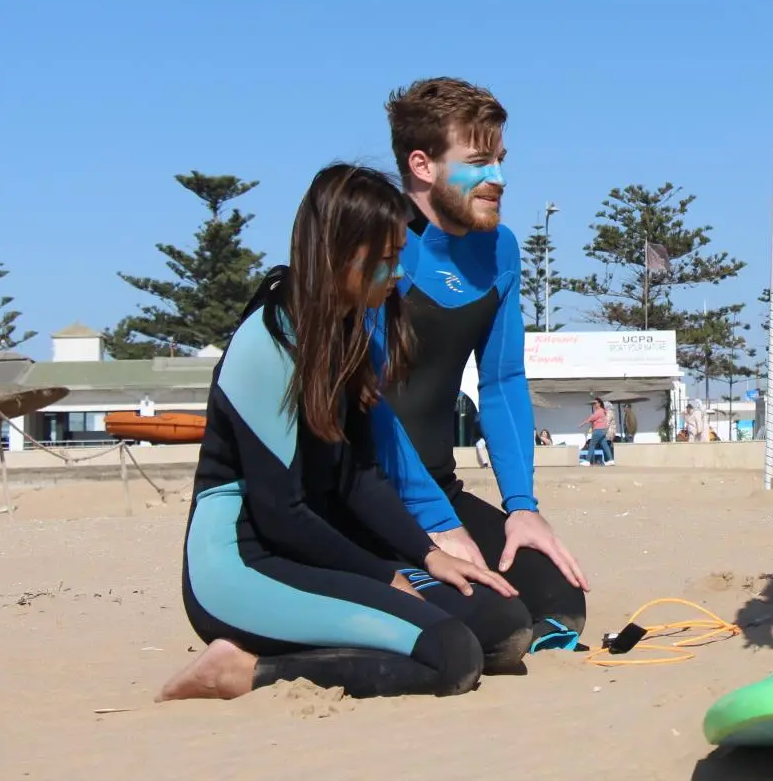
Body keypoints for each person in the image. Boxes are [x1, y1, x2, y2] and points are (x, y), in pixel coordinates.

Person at [158, 164, 527, 702]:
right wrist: (384, 577)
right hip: (241, 567)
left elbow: (359, 477)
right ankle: (240, 671)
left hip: (302, 553)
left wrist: (428, 556)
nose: (399, 273)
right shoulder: (268, 344)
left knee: (498, 624)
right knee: (453, 654)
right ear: (337, 256)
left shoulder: (346, 332)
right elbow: (280, 514)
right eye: (385, 261)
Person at [375, 78, 589, 655]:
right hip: (366, 500)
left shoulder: (499, 249)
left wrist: (522, 509)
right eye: (477, 161)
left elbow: (501, 380)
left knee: (559, 603)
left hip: (441, 489)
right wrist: (429, 531)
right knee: (497, 628)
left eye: (499, 159)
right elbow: (359, 403)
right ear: (422, 166)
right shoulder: (378, 242)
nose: (497, 178)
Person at [579, 397, 614, 466]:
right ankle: (611, 460)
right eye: (594, 403)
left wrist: (582, 424)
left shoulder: (599, 411)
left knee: (592, 445)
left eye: (595, 403)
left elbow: (591, 418)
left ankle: (587, 461)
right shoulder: (602, 411)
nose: (594, 404)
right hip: (602, 430)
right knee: (605, 445)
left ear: (599, 404)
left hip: (598, 430)